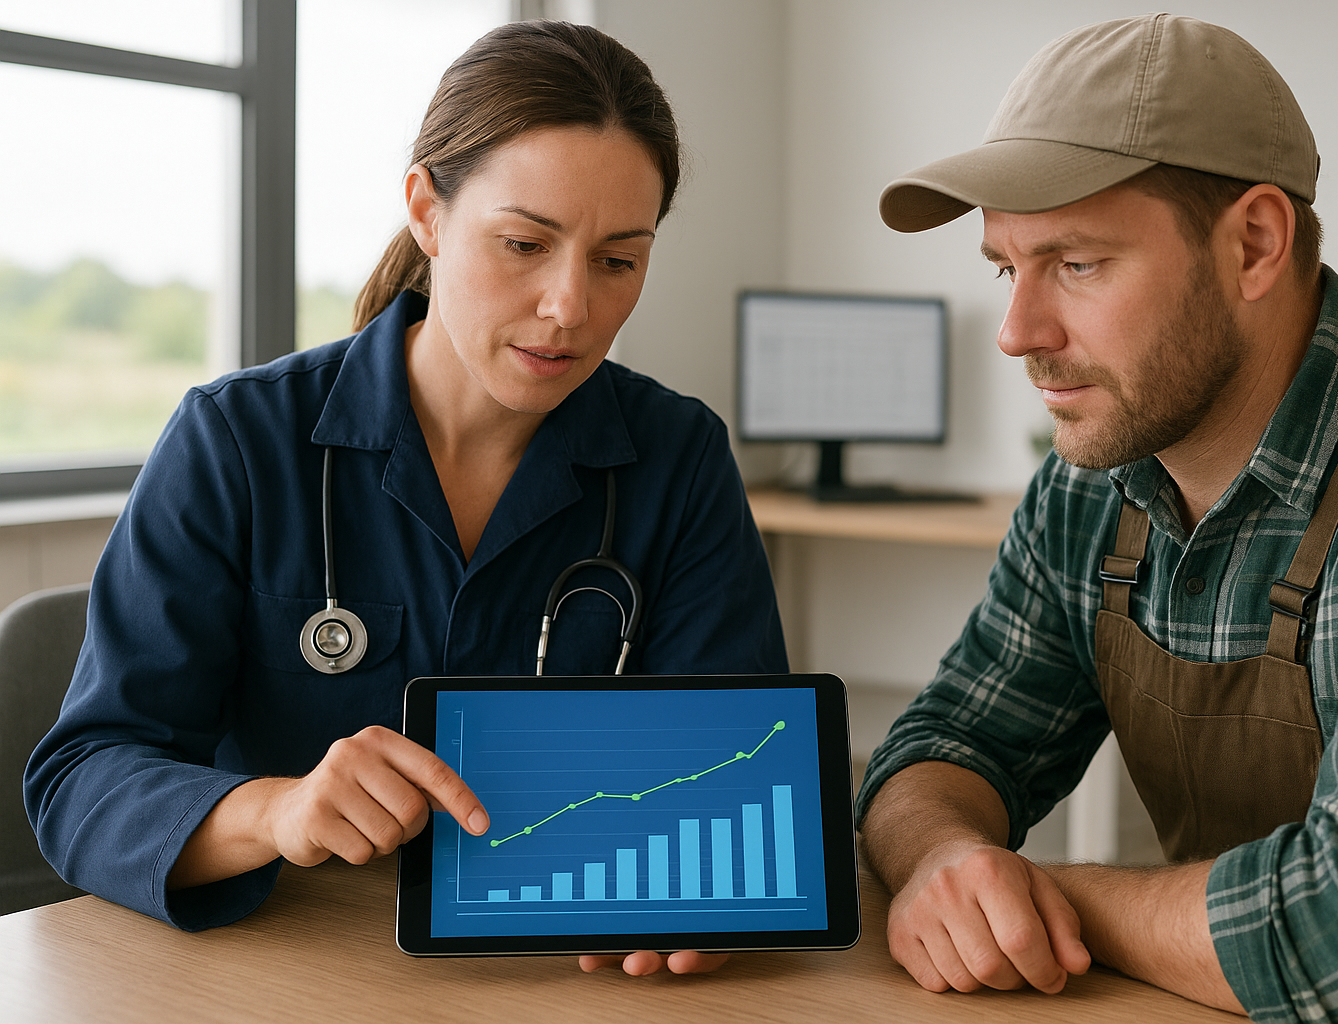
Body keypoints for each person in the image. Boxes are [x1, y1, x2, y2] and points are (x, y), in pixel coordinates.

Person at [25, 21, 783, 978]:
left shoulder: (680, 458)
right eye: (523, 243)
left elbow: (736, 777)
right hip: (291, 971)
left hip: (566, 978)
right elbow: (82, 782)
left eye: (617, 260)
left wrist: (713, 890)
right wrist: (279, 810)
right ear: (426, 209)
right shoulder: (238, 442)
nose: (570, 307)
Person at [856, 13, 1338, 1021]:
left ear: (1254, 244)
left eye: (1077, 263)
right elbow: (945, 740)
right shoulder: (1095, 481)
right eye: (1007, 267)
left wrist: (1050, 896)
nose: (1016, 332)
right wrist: (946, 858)